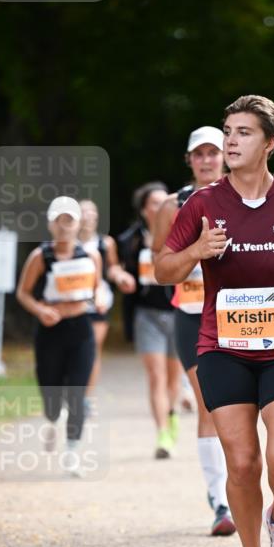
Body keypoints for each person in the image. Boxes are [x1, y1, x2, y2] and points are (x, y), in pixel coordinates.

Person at [156, 94, 274, 547]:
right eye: (228, 131)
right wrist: (196, 251)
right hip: (222, 347)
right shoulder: (203, 204)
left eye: (243, 132)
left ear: (270, 143)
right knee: (244, 463)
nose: (230, 141)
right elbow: (164, 270)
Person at [152, 126, 236, 537]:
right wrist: (195, 254)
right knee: (208, 405)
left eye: (213, 153)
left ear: (225, 156)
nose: (206, 160)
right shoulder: (173, 205)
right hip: (192, 314)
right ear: (189, 160)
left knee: (241, 406)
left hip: (238, 314)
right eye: (198, 154)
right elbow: (160, 265)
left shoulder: (243, 196)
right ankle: (220, 500)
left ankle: (241, 486)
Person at [16, 196, 106, 476]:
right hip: (49, 332)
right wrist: (40, 310)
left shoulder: (91, 256)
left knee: (78, 395)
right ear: (51, 224)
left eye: (70, 219)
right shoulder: (40, 257)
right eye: (60, 220)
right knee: (51, 394)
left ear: (79, 223)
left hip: (81, 329)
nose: (65, 226)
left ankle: (72, 452)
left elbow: (98, 288)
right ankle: (53, 419)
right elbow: (23, 293)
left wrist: (100, 298)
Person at [117, 182, 184, 459]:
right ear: (144, 210)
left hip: (178, 312)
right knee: (155, 376)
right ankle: (162, 434)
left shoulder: (181, 233)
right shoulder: (130, 240)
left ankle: (173, 413)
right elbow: (119, 267)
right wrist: (122, 277)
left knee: (173, 377)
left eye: (164, 202)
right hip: (147, 315)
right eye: (154, 203)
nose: (161, 207)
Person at [79, 199, 136, 408]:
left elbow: (112, 268)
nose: (88, 216)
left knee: (92, 349)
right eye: (83, 212)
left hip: (98, 303)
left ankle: (86, 398)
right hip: (69, 304)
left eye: (92, 212)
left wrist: (121, 277)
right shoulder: (64, 244)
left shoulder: (105, 243)